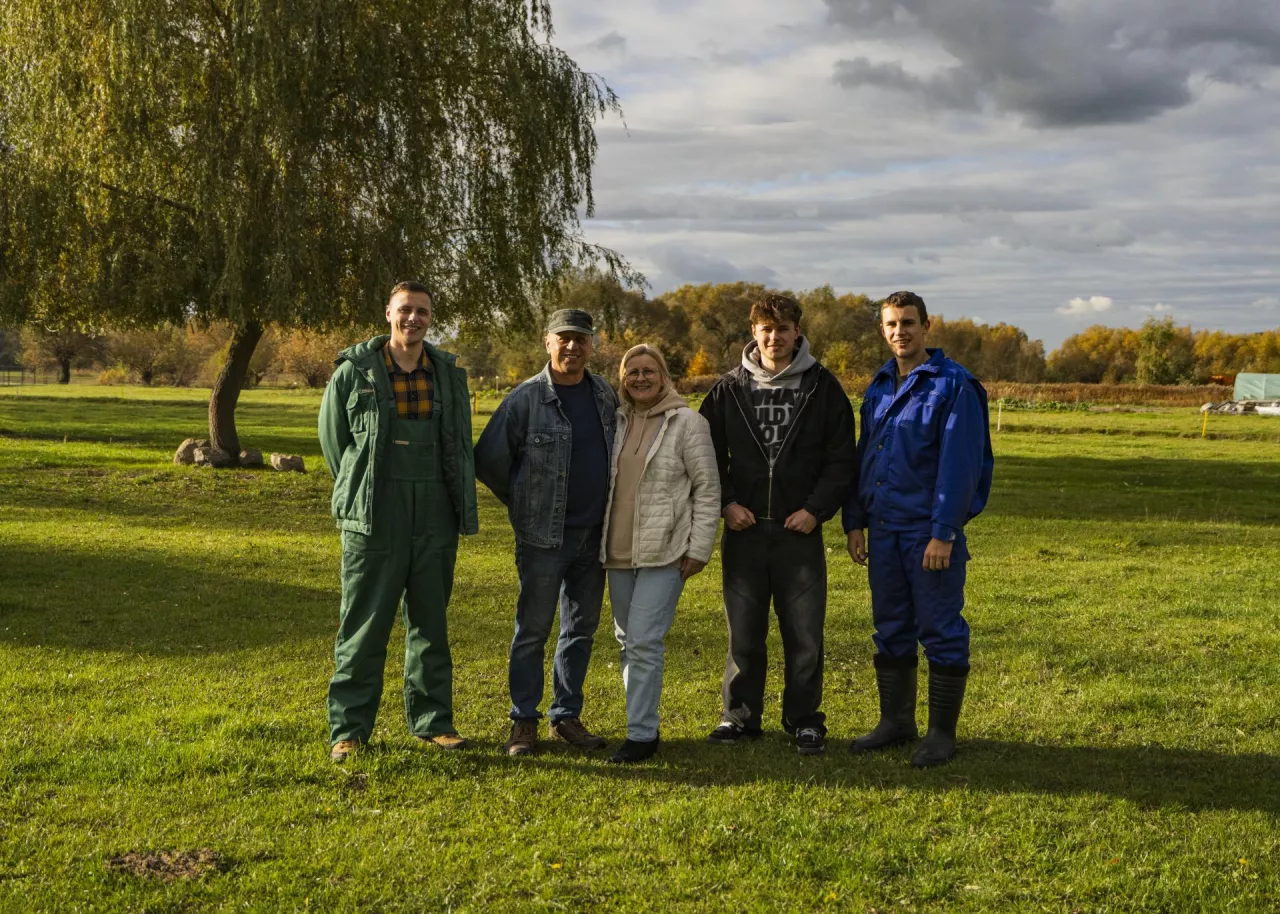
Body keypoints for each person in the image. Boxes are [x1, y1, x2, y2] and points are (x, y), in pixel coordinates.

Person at [318, 281, 479, 762]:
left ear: (432, 318)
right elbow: (335, 444)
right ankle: (348, 729)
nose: (414, 319)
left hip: (435, 509)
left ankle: (434, 723)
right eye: (405, 310)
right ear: (388, 312)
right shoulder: (354, 372)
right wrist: (367, 487)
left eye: (423, 312)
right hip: (375, 513)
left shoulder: (448, 373)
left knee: (431, 620)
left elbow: (460, 441)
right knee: (364, 623)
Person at [699, 293, 857, 755]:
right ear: (754, 333)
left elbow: (841, 459)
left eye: (783, 329)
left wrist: (815, 510)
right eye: (766, 329)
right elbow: (706, 455)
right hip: (744, 532)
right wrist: (726, 504)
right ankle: (739, 717)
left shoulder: (823, 387)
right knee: (744, 634)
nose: (775, 337)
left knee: (805, 635)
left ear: (797, 332)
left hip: (798, 532)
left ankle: (805, 720)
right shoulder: (728, 388)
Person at [843, 290, 994, 767]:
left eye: (908, 322)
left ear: (926, 326)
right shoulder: (880, 384)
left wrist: (943, 532)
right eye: (890, 324)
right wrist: (856, 521)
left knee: (940, 628)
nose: (899, 332)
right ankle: (896, 722)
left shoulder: (954, 386)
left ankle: (941, 734)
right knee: (890, 628)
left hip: (927, 534)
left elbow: (960, 465)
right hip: (883, 530)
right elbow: (865, 456)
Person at [474, 308, 618, 757]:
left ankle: (566, 716)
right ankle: (523, 721)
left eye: (581, 339)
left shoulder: (605, 395)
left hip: (595, 537)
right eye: (564, 338)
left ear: (592, 344)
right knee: (532, 630)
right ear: (547, 342)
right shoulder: (525, 399)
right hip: (542, 539)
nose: (572, 347)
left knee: (580, 630)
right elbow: (490, 461)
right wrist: (525, 504)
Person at [600, 345, 720, 764]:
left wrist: (699, 548)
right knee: (625, 640)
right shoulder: (616, 420)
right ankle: (640, 722)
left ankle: (642, 735)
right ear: (622, 378)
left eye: (649, 371)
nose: (640, 378)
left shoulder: (687, 422)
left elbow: (707, 488)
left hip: (665, 549)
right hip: (616, 550)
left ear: (664, 375)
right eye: (632, 371)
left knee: (644, 641)